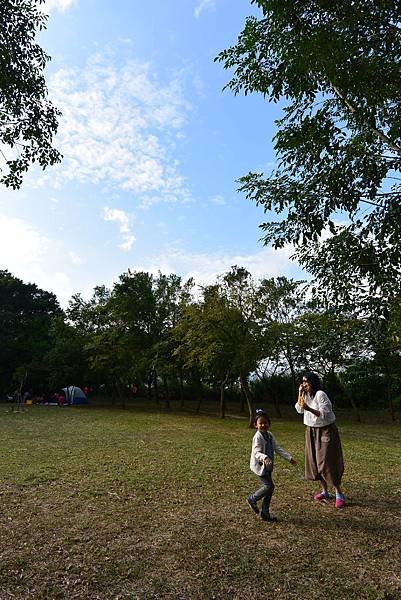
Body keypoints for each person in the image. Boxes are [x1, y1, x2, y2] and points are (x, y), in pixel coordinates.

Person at [296, 372, 345, 508]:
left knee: (327, 461)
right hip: (310, 430)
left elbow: (325, 413)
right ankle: (324, 491)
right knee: (314, 461)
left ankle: (339, 493)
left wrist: (309, 408)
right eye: (303, 382)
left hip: (325, 429)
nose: (304, 384)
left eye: (307, 382)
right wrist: (300, 394)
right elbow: (299, 410)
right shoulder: (305, 395)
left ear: (313, 382)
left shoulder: (320, 394)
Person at [247, 412, 296, 522]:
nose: (263, 425)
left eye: (266, 423)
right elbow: (256, 452)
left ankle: (265, 513)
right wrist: (265, 458)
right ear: (256, 425)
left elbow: (277, 448)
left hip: (268, 466)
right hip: (260, 466)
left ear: (269, 424)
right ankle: (252, 499)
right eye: (261, 423)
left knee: (269, 489)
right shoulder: (257, 437)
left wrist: (289, 458)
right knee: (269, 486)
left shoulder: (269, 435)